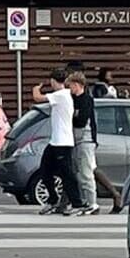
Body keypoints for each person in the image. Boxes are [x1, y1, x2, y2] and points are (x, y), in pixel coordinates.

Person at [32, 68, 84, 215]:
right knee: (45, 170)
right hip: (55, 142)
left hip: (63, 142)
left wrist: (36, 89)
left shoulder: (61, 95)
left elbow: (37, 97)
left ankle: (77, 203)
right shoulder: (63, 95)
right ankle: (53, 200)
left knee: (67, 174)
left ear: (53, 81)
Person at [68, 72, 103, 216]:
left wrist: (73, 115)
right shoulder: (72, 99)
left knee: (86, 172)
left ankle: (92, 202)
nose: (70, 89)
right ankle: (84, 202)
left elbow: (81, 120)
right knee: (79, 172)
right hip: (76, 140)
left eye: (71, 85)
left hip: (85, 140)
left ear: (77, 85)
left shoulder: (86, 100)